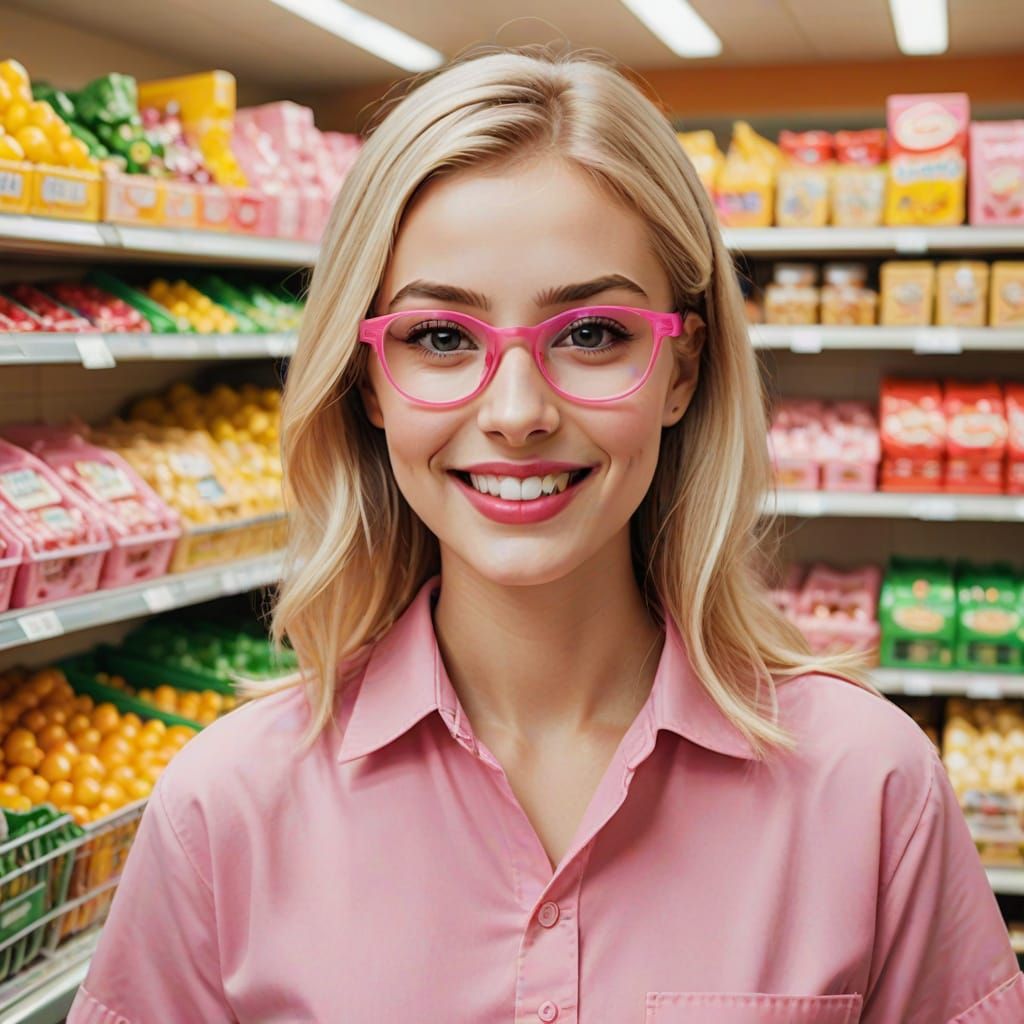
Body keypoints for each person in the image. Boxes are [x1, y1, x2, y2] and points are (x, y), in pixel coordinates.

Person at [69, 49, 1023, 1023]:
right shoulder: (225, 811)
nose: (516, 411)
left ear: (681, 371)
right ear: (365, 382)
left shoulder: (868, 789)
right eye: (441, 338)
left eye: (591, 333)